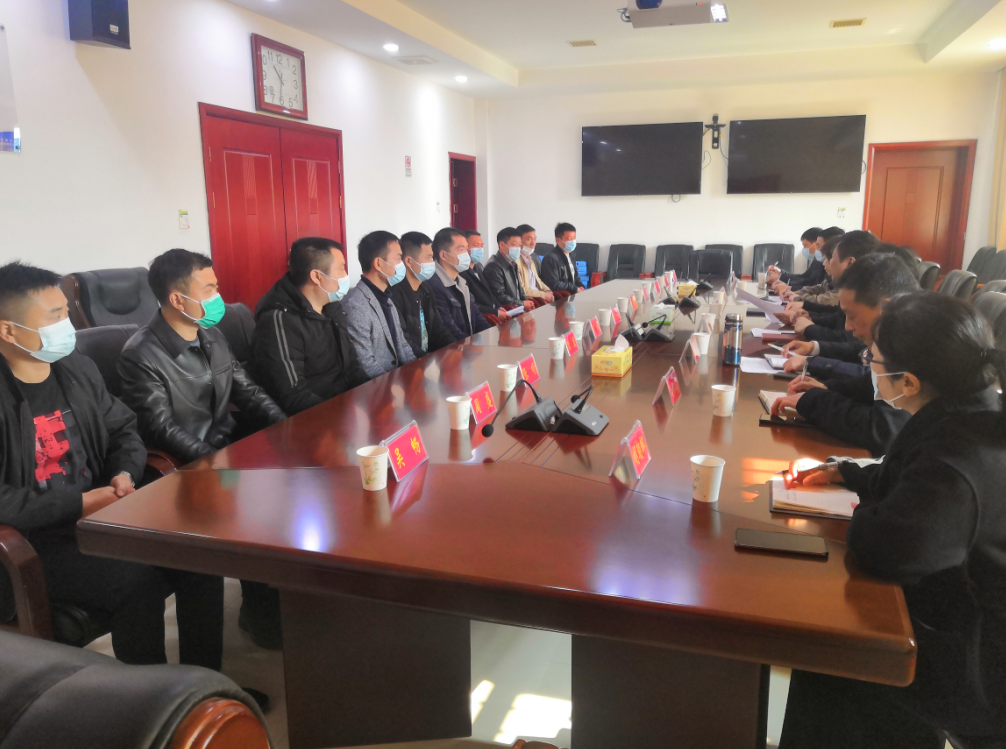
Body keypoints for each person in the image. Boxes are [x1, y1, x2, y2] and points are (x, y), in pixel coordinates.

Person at [779, 293, 1006, 748]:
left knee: (833, 650)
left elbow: (883, 550)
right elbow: (908, 476)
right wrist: (849, 474)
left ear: (910, 382)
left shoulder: (958, 461)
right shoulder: (970, 412)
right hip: (956, 611)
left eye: (874, 360)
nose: (868, 365)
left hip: (979, 664)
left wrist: (863, 509)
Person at [0, 261, 224, 671]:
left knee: (201, 555)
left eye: (66, 312)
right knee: (136, 582)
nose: (66, 325)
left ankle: (204, 682)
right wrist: (80, 503)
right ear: (8, 330)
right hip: (32, 542)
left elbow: (123, 428)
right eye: (54, 316)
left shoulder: (76, 369)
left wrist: (123, 474)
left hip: (101, 515)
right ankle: (150, 696)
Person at [118, 249, 285, 651]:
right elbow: (160, 427)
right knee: (256, 511)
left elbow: (246, 390)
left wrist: (287, 426)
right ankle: (261, 613)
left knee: (285, 500)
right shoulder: (140, 354)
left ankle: (265, 609)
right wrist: (217, 463)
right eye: (208, 289)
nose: (217, 297)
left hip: (223, 453)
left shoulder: (210, 334)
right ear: (178, 298)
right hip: (183, 468)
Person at [771, 254, 919, 455]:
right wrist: (828, 388)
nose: (848, 326)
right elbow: (872, 383)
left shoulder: (914, 345)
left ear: (884, 308)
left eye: (852, 316)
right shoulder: (900, 332)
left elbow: (882, 429)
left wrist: (814, 403)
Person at [250, 237, 367, 416]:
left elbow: (352, 366)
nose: (346, 275)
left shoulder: (332, 308)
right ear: (317, 276)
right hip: (316, 418)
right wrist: (338, 418)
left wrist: (372, 397)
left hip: (345, 408)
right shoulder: (278, 321)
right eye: (341, 269)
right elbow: (293, 396)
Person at [342, 231, 416, 378]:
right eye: (398, 259)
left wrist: (415, 372)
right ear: (378, 264)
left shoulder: (386, 298)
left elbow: (402, 345)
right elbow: (366, 363)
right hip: (380, 386)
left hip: (399, 381)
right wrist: (394, 387)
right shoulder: (355, 305)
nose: (401, 265)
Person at [390, 231, 455, 356]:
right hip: (413, 362)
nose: (432, 262)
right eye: (428, 257)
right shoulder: (395, 294)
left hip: (429, 360)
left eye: (432, 257)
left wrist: (454, 347)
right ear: (409, 261)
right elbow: (403, 341)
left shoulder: (426, 290)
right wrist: (426, 361)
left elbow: (438, 329)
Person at [426, 228, 491, 340]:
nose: (466, 254)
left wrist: (489, 337)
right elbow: (449, 329)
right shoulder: (434, 285)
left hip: (469, 345)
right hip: (454, 348)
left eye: (466, 249)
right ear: (443, 255)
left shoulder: (461, 282)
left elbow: (477, 317)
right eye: (461, 249)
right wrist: (469, 347)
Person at [484, 227, 535, 312]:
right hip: (508, 312)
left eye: (520, 245)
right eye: (514, 245)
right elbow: (500, 296)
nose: (518, 248)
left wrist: (527, 302)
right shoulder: (493, 266)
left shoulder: (513, 263)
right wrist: (522, 304)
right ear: (502, 245)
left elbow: (520, 290)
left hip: (519, 309)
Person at [460, 231, 505, 319]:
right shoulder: (461, 272)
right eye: (476, 245)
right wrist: (495, 312)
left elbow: (489, 292)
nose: (480, 249)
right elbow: (471, 303)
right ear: (465, 247)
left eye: (481, 246)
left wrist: (499, 306)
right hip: (482, 317)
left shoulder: (478, 266)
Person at [514, 224, 554, 304]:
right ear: (519, 241)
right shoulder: (515, 262)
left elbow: (538, 280)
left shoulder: (531, 258)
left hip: (539, 298)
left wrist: (548, 291)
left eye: (534, 239)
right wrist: (544, 295)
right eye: (529, 239)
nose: (533, 243)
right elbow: (523, 290)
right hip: (530, 302)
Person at [541, 222, 585, 294]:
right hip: (560, 297)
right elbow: (553, 284)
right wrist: (575, 289)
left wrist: (580, 286)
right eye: (569, 238)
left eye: (574, 238)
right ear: (558, 240)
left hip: (572, 294)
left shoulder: (571, 255)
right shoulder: (550, 259)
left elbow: (575, 276)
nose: (573, 241)